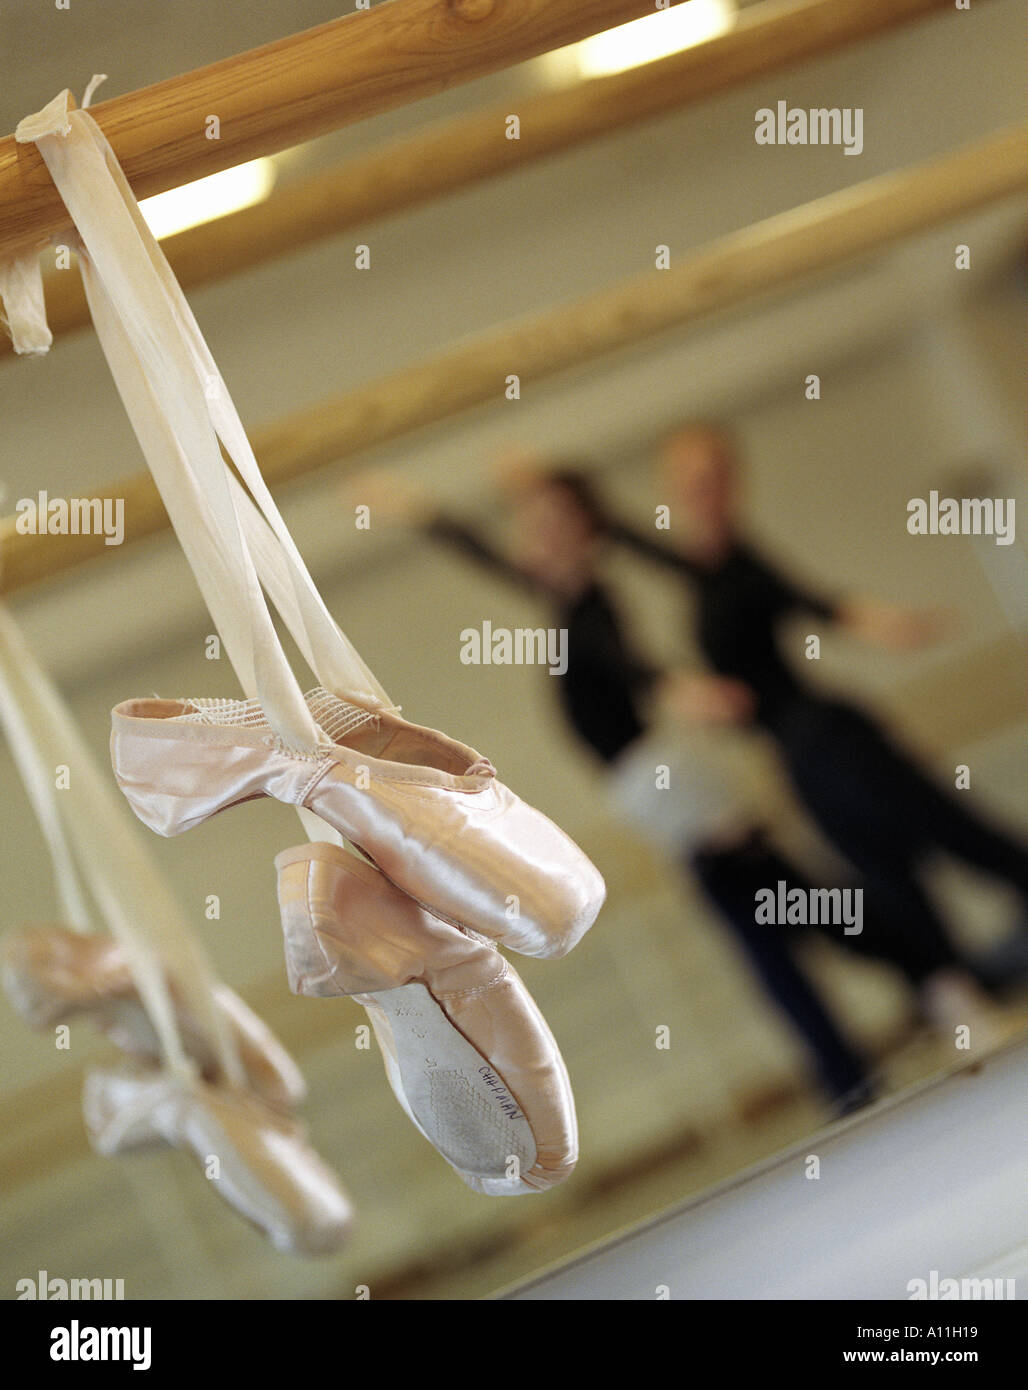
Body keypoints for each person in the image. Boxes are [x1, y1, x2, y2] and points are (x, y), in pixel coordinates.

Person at [352, 461, 905, 1113]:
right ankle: (898, 1007)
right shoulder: (562, 597)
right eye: (531, 523)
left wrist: (674, 684)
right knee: (783, 915)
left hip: (675, 786)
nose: (535, 536)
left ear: (587, 533)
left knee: (779, 922)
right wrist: (420, 510)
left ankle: (886, 1025)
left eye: (554, 523)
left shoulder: (592, 602)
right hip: (661, 788)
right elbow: (490, 558)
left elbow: (621, 656)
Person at [608, 421, 1028, 1035]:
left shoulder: (743, 566)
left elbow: (821, 603)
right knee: (887, 875)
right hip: (801, 755)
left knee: (953, 832)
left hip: (833, 739)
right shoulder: (699, 570)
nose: (703, 491)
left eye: (713, 477)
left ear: (732, 483)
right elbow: (624, 535)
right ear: (673, 491)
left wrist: (888, 622)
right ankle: (961, 999)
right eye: (689, 481)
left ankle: (967, 983)